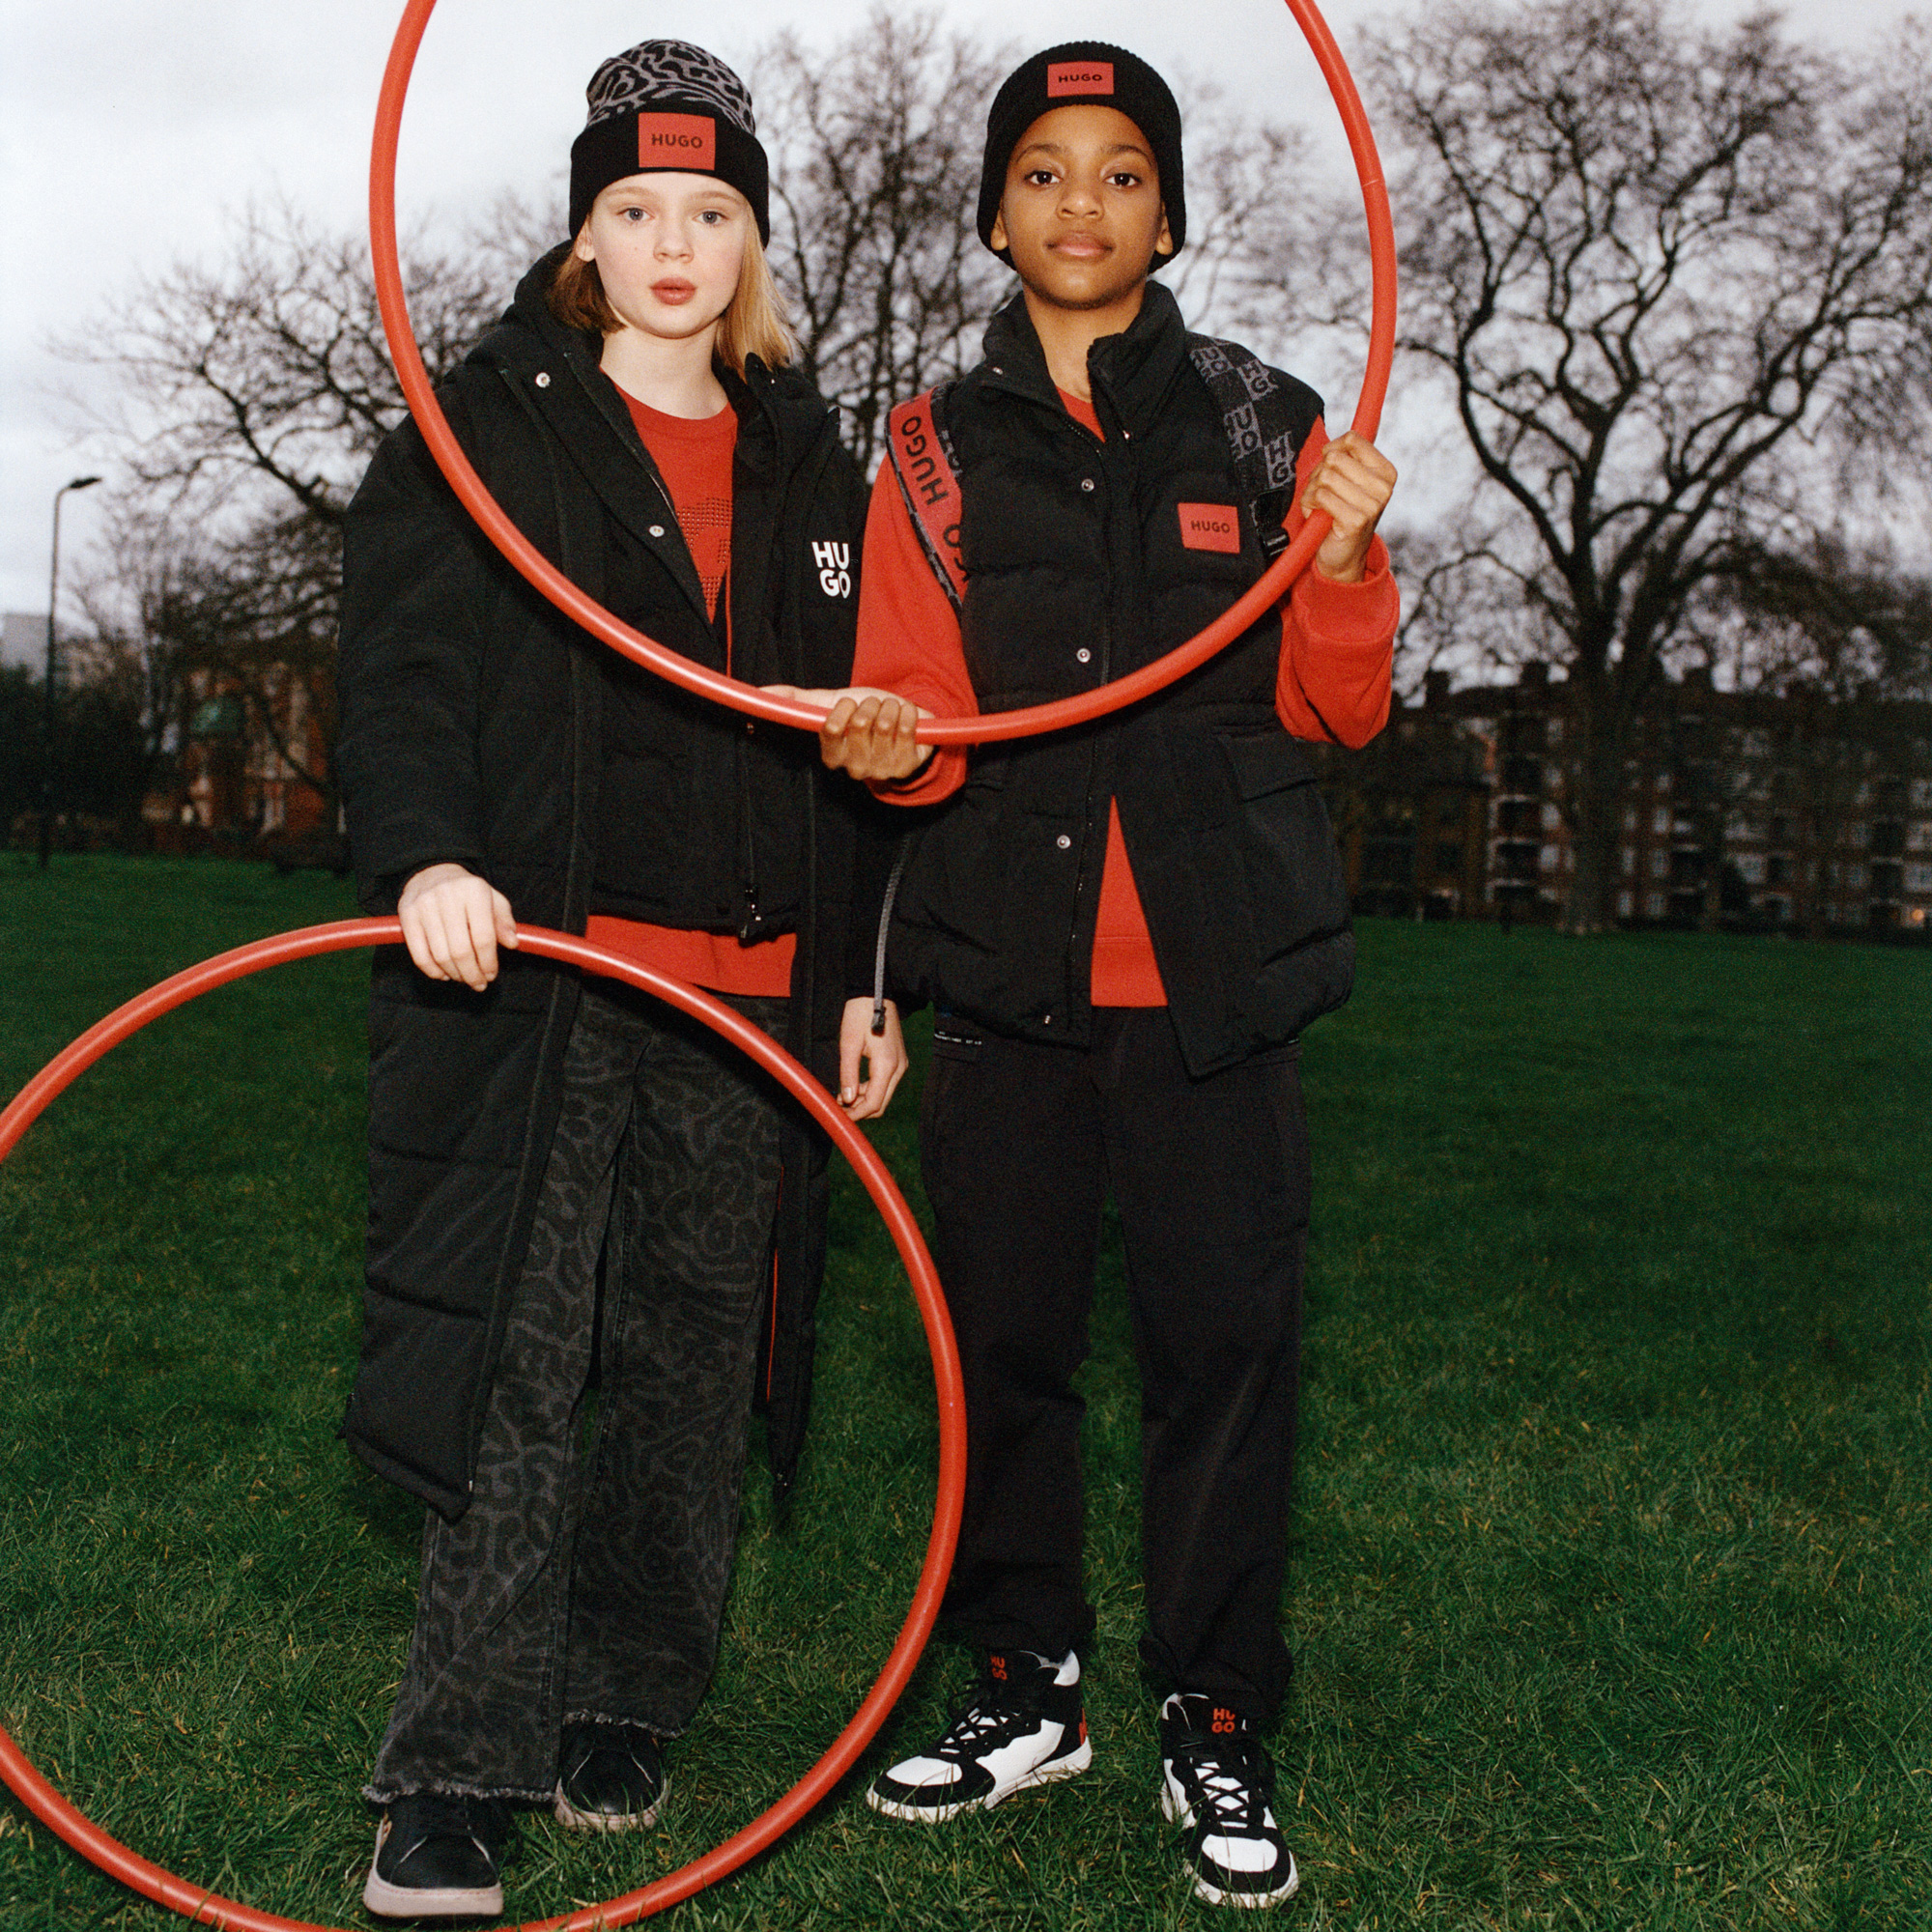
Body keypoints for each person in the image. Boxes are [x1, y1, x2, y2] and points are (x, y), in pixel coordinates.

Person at [803, 43, 1398, 1911]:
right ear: (994, 211)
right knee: (1005, 1350)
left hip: (1217, 978)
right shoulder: (920, 441)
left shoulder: (1270, 421)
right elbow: (925, 728)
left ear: (1172, 208)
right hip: (1007, 973)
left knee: (1229, 1352)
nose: (1082, 204)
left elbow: (1340, 704)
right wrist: (884, 745)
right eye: (1043, 172)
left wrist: (1350, 563)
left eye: (1122, 171)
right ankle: (1021, 1680)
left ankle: (1216, 1713)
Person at [334, 40, 905, 1920]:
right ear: (585, 230)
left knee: (681, 1365)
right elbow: (405, 674)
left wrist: (866, 975)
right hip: (543, 978)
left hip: (745, 1007)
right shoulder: (481, 426)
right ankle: (453, 1766)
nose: (676, 242)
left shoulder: (822, 456)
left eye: (713, 211)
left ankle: (628, 1691)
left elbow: (884, 742)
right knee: (512, 1357)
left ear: (755, 237)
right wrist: (425, 853)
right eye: (637, 209)